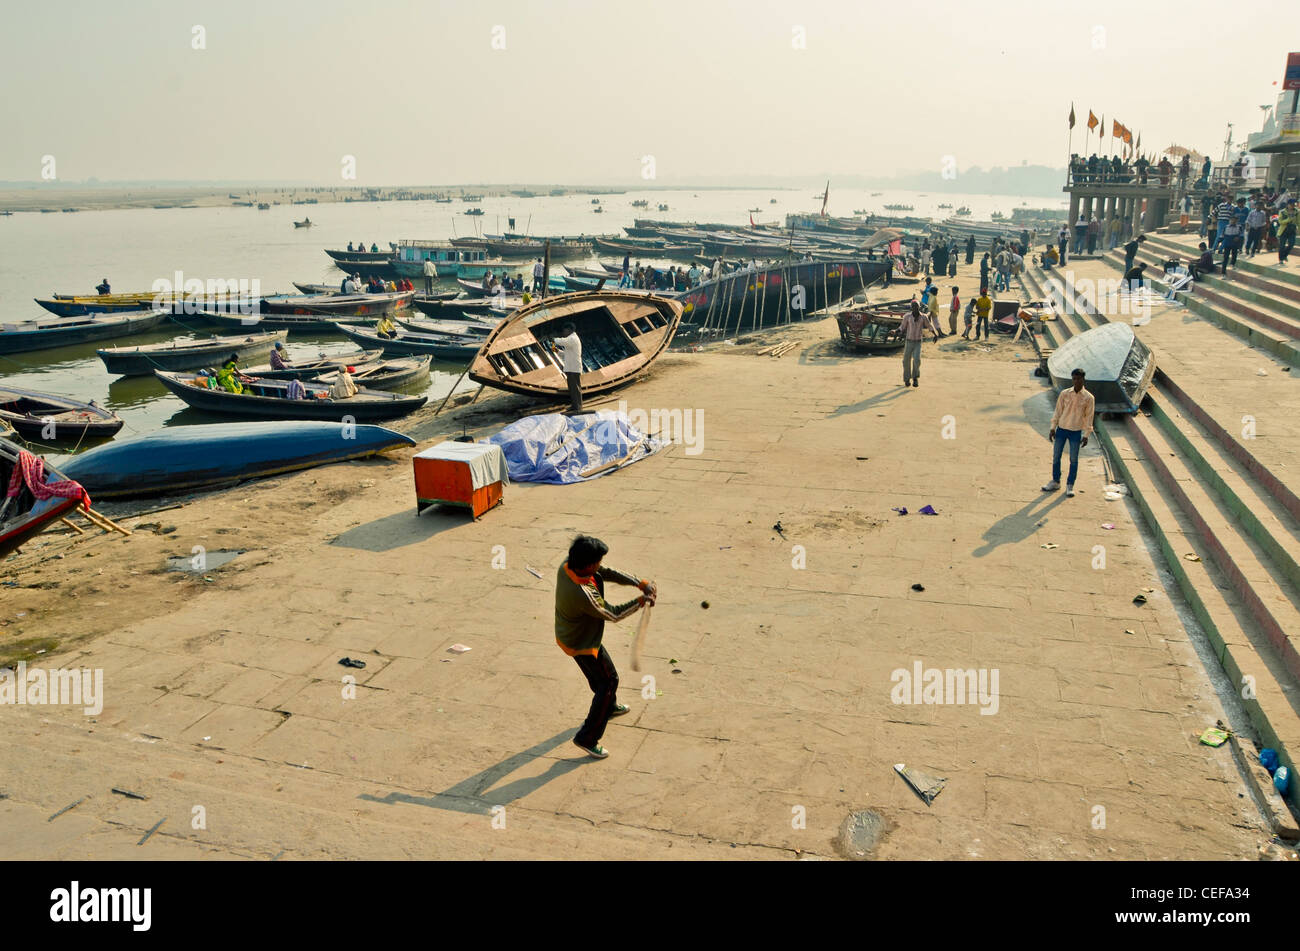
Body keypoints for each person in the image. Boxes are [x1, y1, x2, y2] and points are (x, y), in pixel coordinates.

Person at [554, 534, 656, 759]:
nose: (600, 565)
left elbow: (605, 572)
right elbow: (613, 613)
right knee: (609, 681)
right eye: (597, 561)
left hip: (573, 634)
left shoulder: (568, 565)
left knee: (600, 678)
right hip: (581, 642)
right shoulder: (582, 594)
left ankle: (608, 705)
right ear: (588, 564)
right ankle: (587, 738)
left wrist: (639, 583)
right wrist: (641, 602)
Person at [1043, 368, 1094, 498]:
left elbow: (1089, 417)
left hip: (1076, 432)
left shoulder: (1089, 398)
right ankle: (1055, 481)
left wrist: (1086, 435)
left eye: (1079, 379)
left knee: (1073, 459)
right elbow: (1058, 411)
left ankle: (1070, 485)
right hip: (1062, 429)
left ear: (1083, 379)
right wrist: (1052, 427)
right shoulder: (1065, 394)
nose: (1076, 381)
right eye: (1074, 379)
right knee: (1056, 456)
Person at [899, 300, 939, 387]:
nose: (915, 308)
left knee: (917, 360)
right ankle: (906, 379)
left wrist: (935, 335)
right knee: (906, 361)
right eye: (913, 306)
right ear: (911, 308)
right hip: (909, 341)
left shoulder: (923, 317)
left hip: (918, 342)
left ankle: (915, 378)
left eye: (916, 306)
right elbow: (902, 327)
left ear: (919, 307)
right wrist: (897, 332)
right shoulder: (907, 316)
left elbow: (929, 326)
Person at [552, 322, 584, 412]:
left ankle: (578, 407)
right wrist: (556, 350)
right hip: (571, 368)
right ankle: (575, 406)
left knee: (575, 388)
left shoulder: (573, 338)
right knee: (572, 389)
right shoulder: (571, 340)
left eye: (564, 330)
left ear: (569, 330)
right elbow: (565, 355)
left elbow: (562, 341)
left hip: (574, 368)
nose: (563, 332)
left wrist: (553, 339)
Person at [1278, 199, 1298, 265]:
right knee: (1282, 246)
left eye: (1294, 204)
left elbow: (1299, 222)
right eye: (1291, 204)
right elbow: (1280, 222)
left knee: (1291, 244)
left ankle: (1285, 255)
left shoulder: (1297, 212)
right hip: (1284, 230)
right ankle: (1281, 259)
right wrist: (1288, 219)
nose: (1293, 206)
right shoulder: (1282, 212)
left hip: (1292, 231)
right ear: (1288, 205)